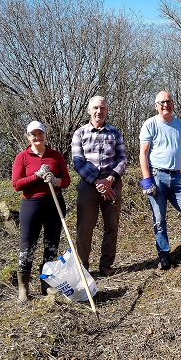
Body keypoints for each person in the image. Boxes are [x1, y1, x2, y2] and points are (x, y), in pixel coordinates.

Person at [139, 90, 181, 270]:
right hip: (157, 176)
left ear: (173, 104)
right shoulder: (150, 124)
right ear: (156, 106)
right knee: (159, 218)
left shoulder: (180, 125)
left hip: (176, 177)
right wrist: (147, 180)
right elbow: (143, 154)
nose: (165, 105)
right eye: (161, 102)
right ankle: (164, 255)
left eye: (168, 101)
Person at [11, 121, 71, 303]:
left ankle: (47, 284)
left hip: (54, 203)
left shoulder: (55, 156)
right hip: (31, 204)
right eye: (33, 135)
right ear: (28, 137)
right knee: (27, 247)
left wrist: (55, 180)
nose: (37, 137)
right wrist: (36, 176)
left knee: (51, 245)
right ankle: (24, 288)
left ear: (45, 135)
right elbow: (16, 184)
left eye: (40, 134)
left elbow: (66, 180)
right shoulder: (22, 157)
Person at [71, 96, 127, 276]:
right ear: (89, 110)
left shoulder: (115, 133)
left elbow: (123, 159)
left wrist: (110, 179)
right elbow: (78, 162)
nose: (99, 111)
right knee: (85, 227)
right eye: (95, 108)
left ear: (106, 110)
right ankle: (83, 267)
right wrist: (97, 182)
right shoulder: (80, 133)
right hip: (89, 183)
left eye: (102, 108)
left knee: (112, 225)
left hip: (112, 182)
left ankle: (106, 265)